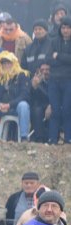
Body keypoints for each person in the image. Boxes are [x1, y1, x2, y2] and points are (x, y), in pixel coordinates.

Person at [0, 51, 31, 141]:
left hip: (15, 108)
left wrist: (10, 105)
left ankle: (24, 137)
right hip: (0, 107)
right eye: (4, 63)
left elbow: (24, 95)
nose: (6, 65)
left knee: (23, 105)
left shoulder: (22, 75)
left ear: (14, 63)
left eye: (9, 63)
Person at [48, 15, 71, 145]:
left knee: (68, 109)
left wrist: (59, 56)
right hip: (54, 80)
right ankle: (53, 138)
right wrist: (64, 60)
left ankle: (68, 138)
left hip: (69, 80)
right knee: (55, 110)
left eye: (68, 28)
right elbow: (49, 59)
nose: (65, 30)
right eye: (63, 27)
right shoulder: (54, 41)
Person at [30, 62, 52, 143]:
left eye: (47, 70)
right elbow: (31, 97)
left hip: (53, 105)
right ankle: (39, 140)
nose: (45, 72)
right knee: (37, 110)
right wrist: (34, 87)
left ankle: (52, 138)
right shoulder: (37, 80)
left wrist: (51, 105)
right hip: (39, 106)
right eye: (42, 70)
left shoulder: (55, 81)